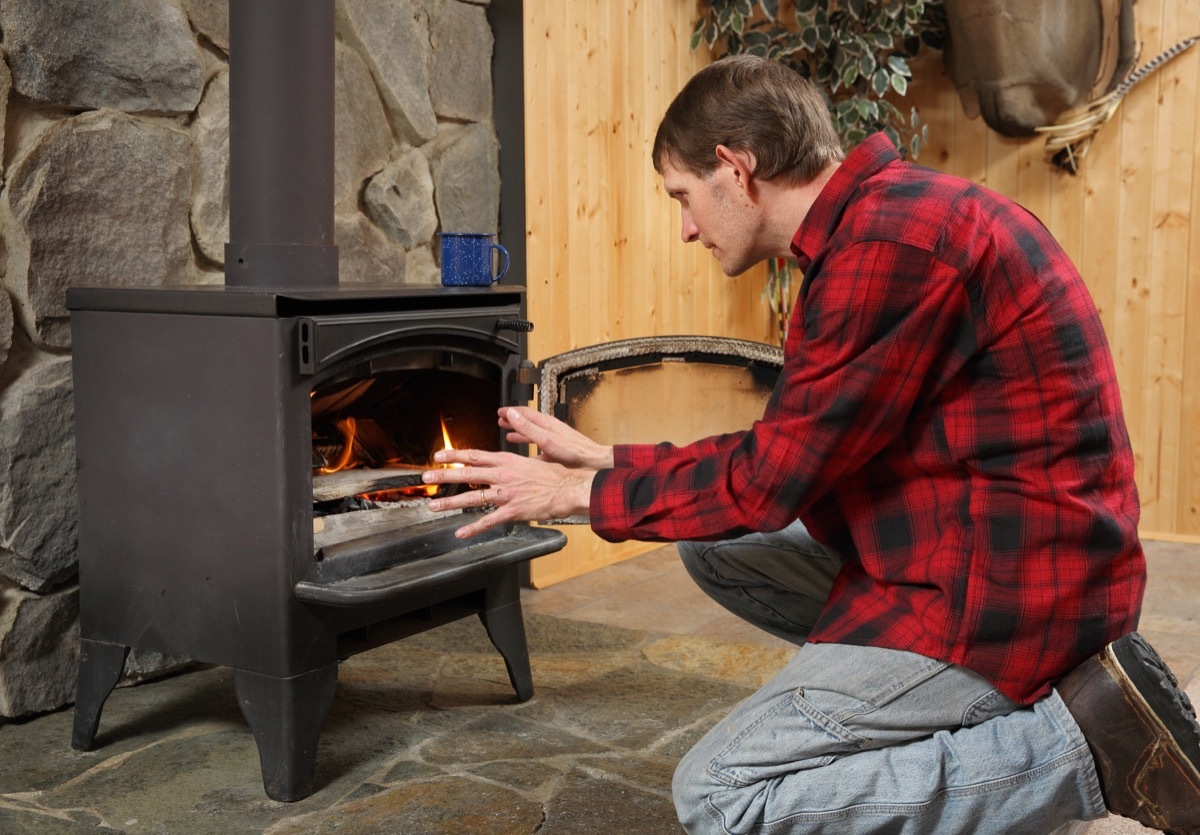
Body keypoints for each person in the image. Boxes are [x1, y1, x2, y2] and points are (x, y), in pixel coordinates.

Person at [423, 54, 1200, 834]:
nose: (687, 227)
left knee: (723, 794)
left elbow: (769, 481)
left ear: (735, 168)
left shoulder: (890, 247)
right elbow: (793, 444)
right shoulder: (888, 219)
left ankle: (1076, 750)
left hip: (1009, 600)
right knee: (718, 550)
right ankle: (951, 720)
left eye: (683, 198)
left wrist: (578, 496)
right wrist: (608, 461)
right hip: (991, 548)